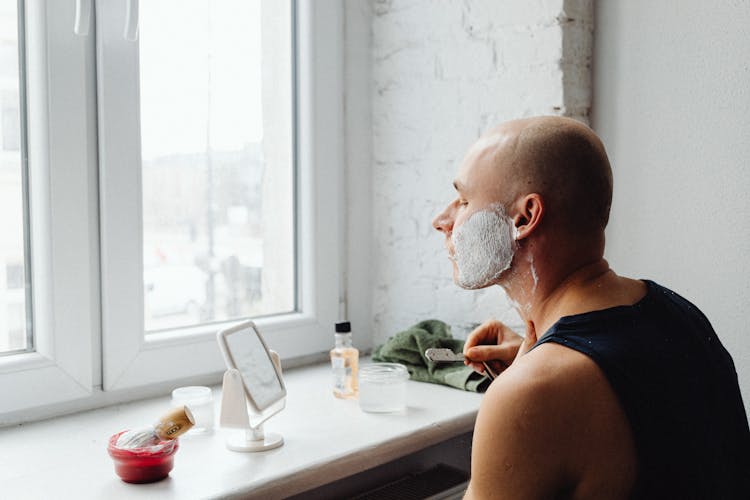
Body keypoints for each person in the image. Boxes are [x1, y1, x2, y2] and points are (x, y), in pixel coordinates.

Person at [432, 116, 750, 499]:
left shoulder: (532, 392)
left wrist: (530, 381)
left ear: (525, 217)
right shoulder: (679, 314)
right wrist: (539, 356)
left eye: (464, 200)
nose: (442, 221)